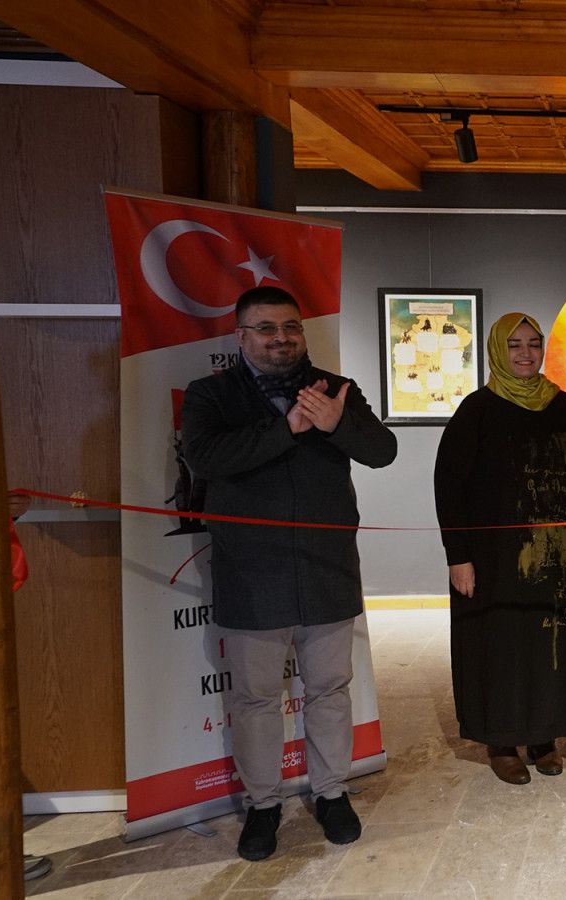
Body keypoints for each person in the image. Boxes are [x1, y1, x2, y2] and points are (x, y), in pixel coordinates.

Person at [181, 286, 398, 862]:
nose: (281, 338)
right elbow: (206, 459)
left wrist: (337, 424)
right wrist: (288, 429)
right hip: (252, 573)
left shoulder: (335, 388)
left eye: (291, 327)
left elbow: (382, 451)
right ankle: (263, 805)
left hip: (327, 567)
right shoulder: (210, 394)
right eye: (267, 328)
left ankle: (332, 793)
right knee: (255, 699)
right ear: (241, 337)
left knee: (329, 689)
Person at [434, 313, 566, 785]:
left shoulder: (564, 407)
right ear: (497, 350)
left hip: (555, 558)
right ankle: (501, 741)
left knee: (547, 646)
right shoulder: (477, 410)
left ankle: (543, 736)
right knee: (499, 648)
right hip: (494, 561)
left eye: (533, 344)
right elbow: (449, 486)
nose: (525, 353)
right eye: (514, 344)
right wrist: (458, 555)